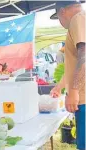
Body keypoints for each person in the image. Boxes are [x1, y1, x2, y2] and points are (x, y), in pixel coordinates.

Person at [51, 1, 85, 149]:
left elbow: (83, 55)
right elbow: (75, 63)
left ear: (62, 11)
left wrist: (74, 91)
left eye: (58, 17)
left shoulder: (78, 19)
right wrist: (60, 86)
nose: (60, 22)